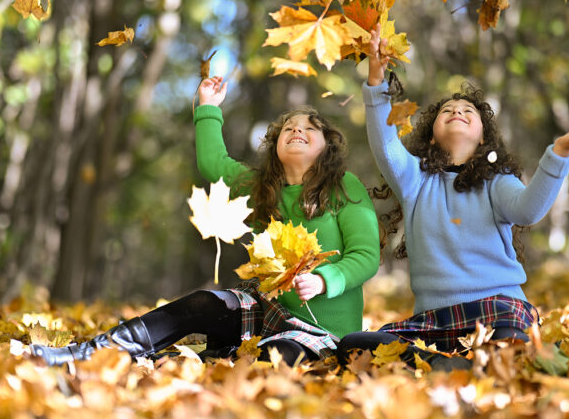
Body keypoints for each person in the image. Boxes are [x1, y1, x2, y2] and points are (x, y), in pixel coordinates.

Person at [32, 75, 380, 367]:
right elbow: (214, 163)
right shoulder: (261, 187)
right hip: (265, 310)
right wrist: (209, 107)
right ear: (275, 145)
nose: (296, 130)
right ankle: (88, 355)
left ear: (327, 147)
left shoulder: (342, 188)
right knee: (202, 302)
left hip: (318, 332)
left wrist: (324, 281)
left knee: (269, 360)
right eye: (288, 127)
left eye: (309, 128)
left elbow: (366, 255)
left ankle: (221, 372)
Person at [337, 25, 569, 366]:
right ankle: (454, 364)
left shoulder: (497, 181)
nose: (457, 112)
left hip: (497, 310)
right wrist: (376, 83)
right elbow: (386, 146)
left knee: (511, 342)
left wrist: (558, 154)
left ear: (483, 138)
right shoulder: (414, 180)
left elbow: (528, 210)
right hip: (433, 323)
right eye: (447, 111)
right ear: (432, 136)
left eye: (469, 111)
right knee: (355, 345)